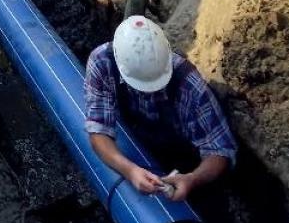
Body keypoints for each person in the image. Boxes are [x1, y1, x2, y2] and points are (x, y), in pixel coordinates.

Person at [84, 15, 236, 203]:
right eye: (143, 86)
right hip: (135, 144)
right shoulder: (103, 63)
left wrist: (192, 179)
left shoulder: (189, 86)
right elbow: (99, 131)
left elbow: (220, 150)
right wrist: (130, 170)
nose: (150, 91)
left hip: (182, 161)